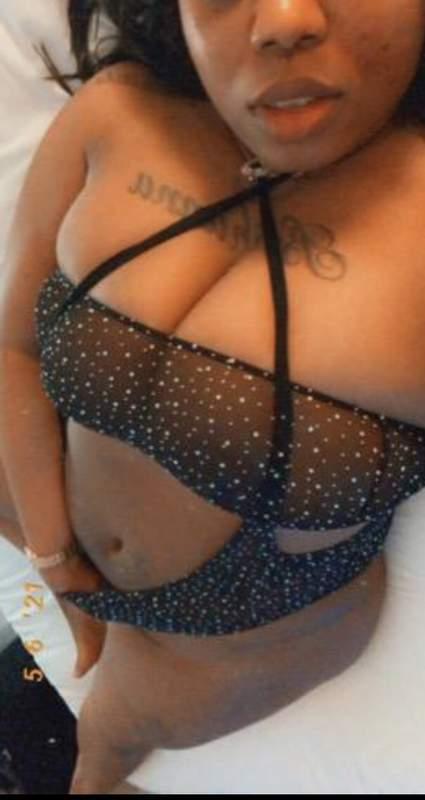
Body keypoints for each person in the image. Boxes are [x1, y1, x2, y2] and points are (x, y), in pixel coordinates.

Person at [1, 0, 425, 793]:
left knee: (106, 736)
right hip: (59, 533)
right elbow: (14, 348)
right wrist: (52, 554)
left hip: (251, 628)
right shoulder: (118, 110)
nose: (284, 18)